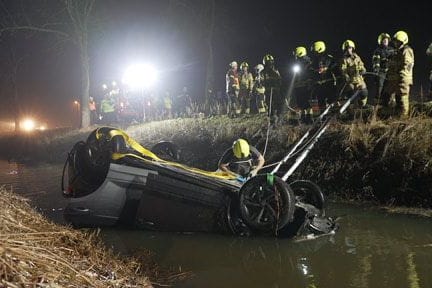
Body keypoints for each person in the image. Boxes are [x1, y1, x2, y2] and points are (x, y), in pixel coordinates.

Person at [380, 30, 414, 117]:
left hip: (402, 79)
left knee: (401, 99)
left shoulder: (406, 50)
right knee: (386, 96)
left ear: (403, 41)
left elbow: (407, 65)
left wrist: (402, 76)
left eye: (398, 42)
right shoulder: (397, 52)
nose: (395, 43)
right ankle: (388, 115)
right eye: (395, 42)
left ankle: (403, 118)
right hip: (394, 79)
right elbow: (392, 66)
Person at [309, 41, 337, 114]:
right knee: (321, 101)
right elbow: (311, 71)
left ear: (319, 49)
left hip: (329, 83)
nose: (314, 52)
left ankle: (334, 115)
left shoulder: (329, 58)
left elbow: (335, 68)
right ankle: (323, 116)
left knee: (331, 100)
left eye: (315, 50)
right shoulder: (314, 61)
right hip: (319, 85)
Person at [340, 40, 368, 107]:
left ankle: (362, 106)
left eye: (349, 48)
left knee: (364, 92)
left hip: (359, 80)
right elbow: (343, 70)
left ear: (352, 48)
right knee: (351, 95)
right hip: (350, 81)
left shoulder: (357, 57)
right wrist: (346, 76)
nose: (348, 50)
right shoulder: (344, 59)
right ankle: (351, 109)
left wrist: (363, 70)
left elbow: (362, 65)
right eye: (347, 49)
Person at [371, 33, 394, 104]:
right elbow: (376, 63)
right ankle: (378, 104)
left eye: (387, 39)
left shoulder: (392, 50)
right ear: (381, 41)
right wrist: (376, 71)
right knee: (380, 87)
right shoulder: (378, 51)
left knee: (391, 87)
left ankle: (390, 103)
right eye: (384, 39)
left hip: (390, 72)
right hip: (381, 72)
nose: (386, 41)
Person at [292, 46, 313, 123]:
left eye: (296, 54)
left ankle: (309, 117)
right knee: (300, 102)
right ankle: (303, 117)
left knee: (307, 102)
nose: (295, 56)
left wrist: (308, 82)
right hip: (299, 86)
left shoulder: (308, 63)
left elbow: (310, 74)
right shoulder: (298, 63)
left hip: (306, 86)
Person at [262, 54, 283, 121]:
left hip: (276, 90)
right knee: (269, 104)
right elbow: (262, 81)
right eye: (268, 62)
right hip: (268, 91)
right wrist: (268, 82)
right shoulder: (263, 72)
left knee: (278, 103)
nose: (270, 63)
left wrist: (278, 84)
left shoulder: (276, 70)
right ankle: (271, 119)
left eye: (271, 61)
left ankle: (279, 117)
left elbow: (280, 79)